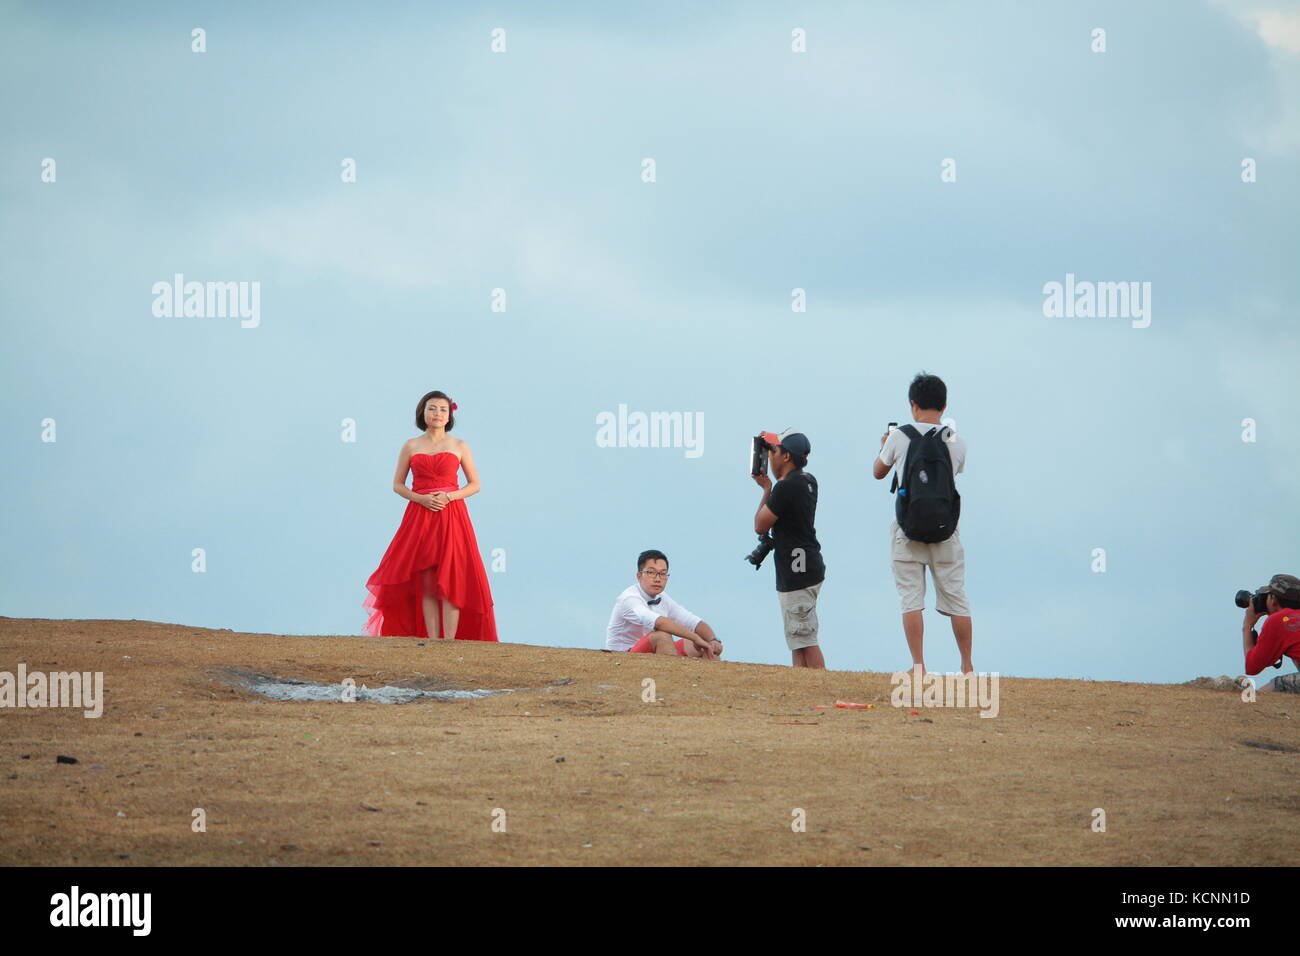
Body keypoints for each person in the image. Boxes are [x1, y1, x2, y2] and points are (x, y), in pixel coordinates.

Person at [362, 390, 498, 641]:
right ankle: (433, 641)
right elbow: (398, 485)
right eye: (432, 408)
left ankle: (450, 641)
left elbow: (475, 484)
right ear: (422, 412)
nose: (437, 413)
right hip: (419, 515)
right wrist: (421, 498)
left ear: (450, 415)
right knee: (425, 579)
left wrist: (449, 497)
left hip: (452, 515)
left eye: (443, 409)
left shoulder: (459, 445)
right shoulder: (411, 445)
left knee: (452, 577)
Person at [872, 372, 971, 675]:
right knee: (956, 597)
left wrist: (885, 446)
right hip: (945, 531)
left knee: (911, 598)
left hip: (908, 529)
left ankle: (918, 665)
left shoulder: (900, 436)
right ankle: (967, 666)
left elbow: (878, 471)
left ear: (913, 404)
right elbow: (956, 473)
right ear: (944, 405)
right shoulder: (956, 440)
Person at [753, 432, 827, 668]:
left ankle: (821, 689)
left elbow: (760, 525)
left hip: (797, 572)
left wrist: (767, 490)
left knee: (805, 636)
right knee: (797, 639)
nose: (771, 457)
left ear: (786, 456)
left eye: (774, 451)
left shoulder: (785, 487)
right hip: (806, 566)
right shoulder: (808, 480)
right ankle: (802, 688)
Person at [605, 550, 722, 658]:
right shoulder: (629, 598)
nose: (657, 579)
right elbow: (660, 623)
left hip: (651, 653)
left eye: (662, 573)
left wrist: (714, 640)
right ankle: (673, 679)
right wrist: (695, 638)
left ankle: (715, 680)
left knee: (705, 643)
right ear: (639, 576)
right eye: (651, 572)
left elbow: (693, 622)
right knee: (662, 636)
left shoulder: (663, 598)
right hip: (624, 657)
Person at [1241, 573, 1300, 693]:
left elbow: (1252, 667)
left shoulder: (1278, 620)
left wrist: (1247, 626)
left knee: (1275, 686)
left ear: (1273, 599)